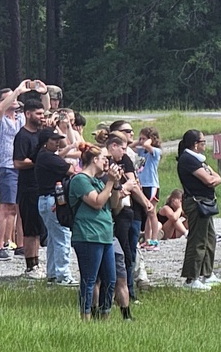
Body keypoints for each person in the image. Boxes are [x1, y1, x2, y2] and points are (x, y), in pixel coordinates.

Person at [0, 81, 45, 261]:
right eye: (9, 98)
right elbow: (0, 110)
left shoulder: (21, 118)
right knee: (7, 207)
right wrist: (17, 91)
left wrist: (43, 93)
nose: (15, 99)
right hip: (7, 166)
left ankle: (21, 245)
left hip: (23, 168)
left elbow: (40, 114)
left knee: (23, 208)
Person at [69, 143, 122, 320]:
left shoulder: (99, 182)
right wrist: (110, 182)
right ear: (94, 160)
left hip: (105, 235)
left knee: (110, 280)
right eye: (104, 159)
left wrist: (114, 185)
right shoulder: (80, 180)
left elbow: (114, 205)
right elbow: (97, 202)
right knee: (89, 279)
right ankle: (85, 317)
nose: (107, 162)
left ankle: (104, 316)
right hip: (88, 235)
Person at [103, 132, 152, 298]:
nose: (124, 152)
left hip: (131, 210)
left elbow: (134, 184)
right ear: (113, 146)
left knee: (130, 252)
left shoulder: (125, 160)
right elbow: (115, 191)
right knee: (121, 254)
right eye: (122, 149)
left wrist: (145, 203)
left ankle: (128, 291)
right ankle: (121, 292)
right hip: (117, 212)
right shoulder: (106, 163)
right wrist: (125, 189)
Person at [177, 130, 221, 290]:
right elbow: (210, 179)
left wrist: (215, 179)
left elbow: (217, 176)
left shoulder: (198, 160)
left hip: (206, 202)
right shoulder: (188, 159)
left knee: (210, 238)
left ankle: (207, 273)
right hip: (197, 203)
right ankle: (191, 278)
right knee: (198, 241)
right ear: (195, 144)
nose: (205, 144)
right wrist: (214, 179)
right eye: (203, 142)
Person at [13, 98, 51, 278]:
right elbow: (18, 162)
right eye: (38, 114)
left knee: (39, 227)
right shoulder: (22, 136)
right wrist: (38, 162)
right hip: (28, 188)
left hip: (41, 186)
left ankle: (37, 262)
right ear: (28, 114)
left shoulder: (41, 134)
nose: (42, 117)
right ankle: (30, 266)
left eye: (43, 113)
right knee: (30, 228)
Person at [35, 128, 77, 286]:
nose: (58, 142)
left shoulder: (43, 156)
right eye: (54, 139)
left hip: (45, 200)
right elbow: (71, 170)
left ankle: (52, 272)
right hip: (54, 201)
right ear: (46, 142)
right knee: (63, 236)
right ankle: (63, 275)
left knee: (53, 238)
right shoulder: (49, 157)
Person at [134, 127, 163, 249]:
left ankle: (154, 240)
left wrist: (147, 141)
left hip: (151, 184)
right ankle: (147, 239)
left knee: (152, 212)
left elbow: (146, 145)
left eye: (143, 138)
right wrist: (138, 141)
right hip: (142, 184)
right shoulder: (141, 152)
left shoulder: (155, 152)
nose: (141, 141)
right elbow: (129, 146)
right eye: (139, 138)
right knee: (146, 214)